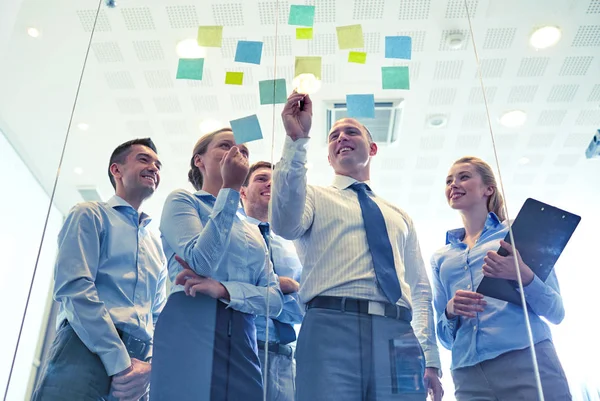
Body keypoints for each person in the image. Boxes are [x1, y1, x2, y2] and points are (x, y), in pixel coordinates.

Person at [270, 91, 444, 401]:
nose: (341, 137)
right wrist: (296, 141)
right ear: (328, 156)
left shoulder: (400, 215)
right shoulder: (312, 196)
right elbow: (284, 223)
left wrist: (429, 357)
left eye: (351, 132)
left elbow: (418, 287)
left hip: (400, 334)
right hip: (330, 326)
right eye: (333, 135)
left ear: (372, 147)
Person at [150, 128, 284, 401]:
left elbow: (275, 300)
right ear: (199, 160)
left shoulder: (253, 231)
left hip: (243, 337)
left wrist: (223, 289)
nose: (237, 153)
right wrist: (230, 189)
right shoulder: (182, 200)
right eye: (226, 146)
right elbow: (201, 262)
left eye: (244, 151)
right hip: (189, 322)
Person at [33, 138, 167, 401]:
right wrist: (120, 361)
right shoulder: (90, 214)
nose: (154, 168)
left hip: (137, 369)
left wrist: (149, 369)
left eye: (158, 165)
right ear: (116, 170)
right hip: (84, 350)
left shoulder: (156, 246)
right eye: (143, 159)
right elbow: (75, 289)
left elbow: (158, 316)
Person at [431, 156, 571, 400]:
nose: (453, 184)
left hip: (528, 358)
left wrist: (523, 277)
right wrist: (450, 310)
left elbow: (556, 312)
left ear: (489, 189)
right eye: (448, 181)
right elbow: (445, 339)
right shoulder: (441, 258)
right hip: (468, 375)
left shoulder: (517, 233)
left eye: (464, 177)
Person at [240, 161, 304, 401]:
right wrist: (283, 289)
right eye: (261, 178)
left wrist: (271, 292)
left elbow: (302, 309)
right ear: (242, 192)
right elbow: (234, 295)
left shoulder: (294, 245)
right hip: (245, 353)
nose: (270, 183)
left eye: (274, 180)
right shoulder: (232, 237)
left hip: (287, 359)